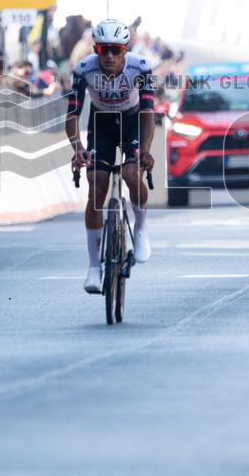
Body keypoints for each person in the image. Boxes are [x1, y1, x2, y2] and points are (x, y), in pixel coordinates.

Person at [65, 19, 155, 294]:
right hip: (101, 123)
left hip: (132, 121)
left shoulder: (140, 67)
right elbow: (72, 114)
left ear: (125, 50)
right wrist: (77, 149)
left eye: (115, 50)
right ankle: (94, 267)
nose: (109, 56)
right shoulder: (84, 69)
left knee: (130, 173)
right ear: (95, 48)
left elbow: (149, 113)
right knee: (97, 189)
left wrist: (146, 151)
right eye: (104, 49)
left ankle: (140, 227)